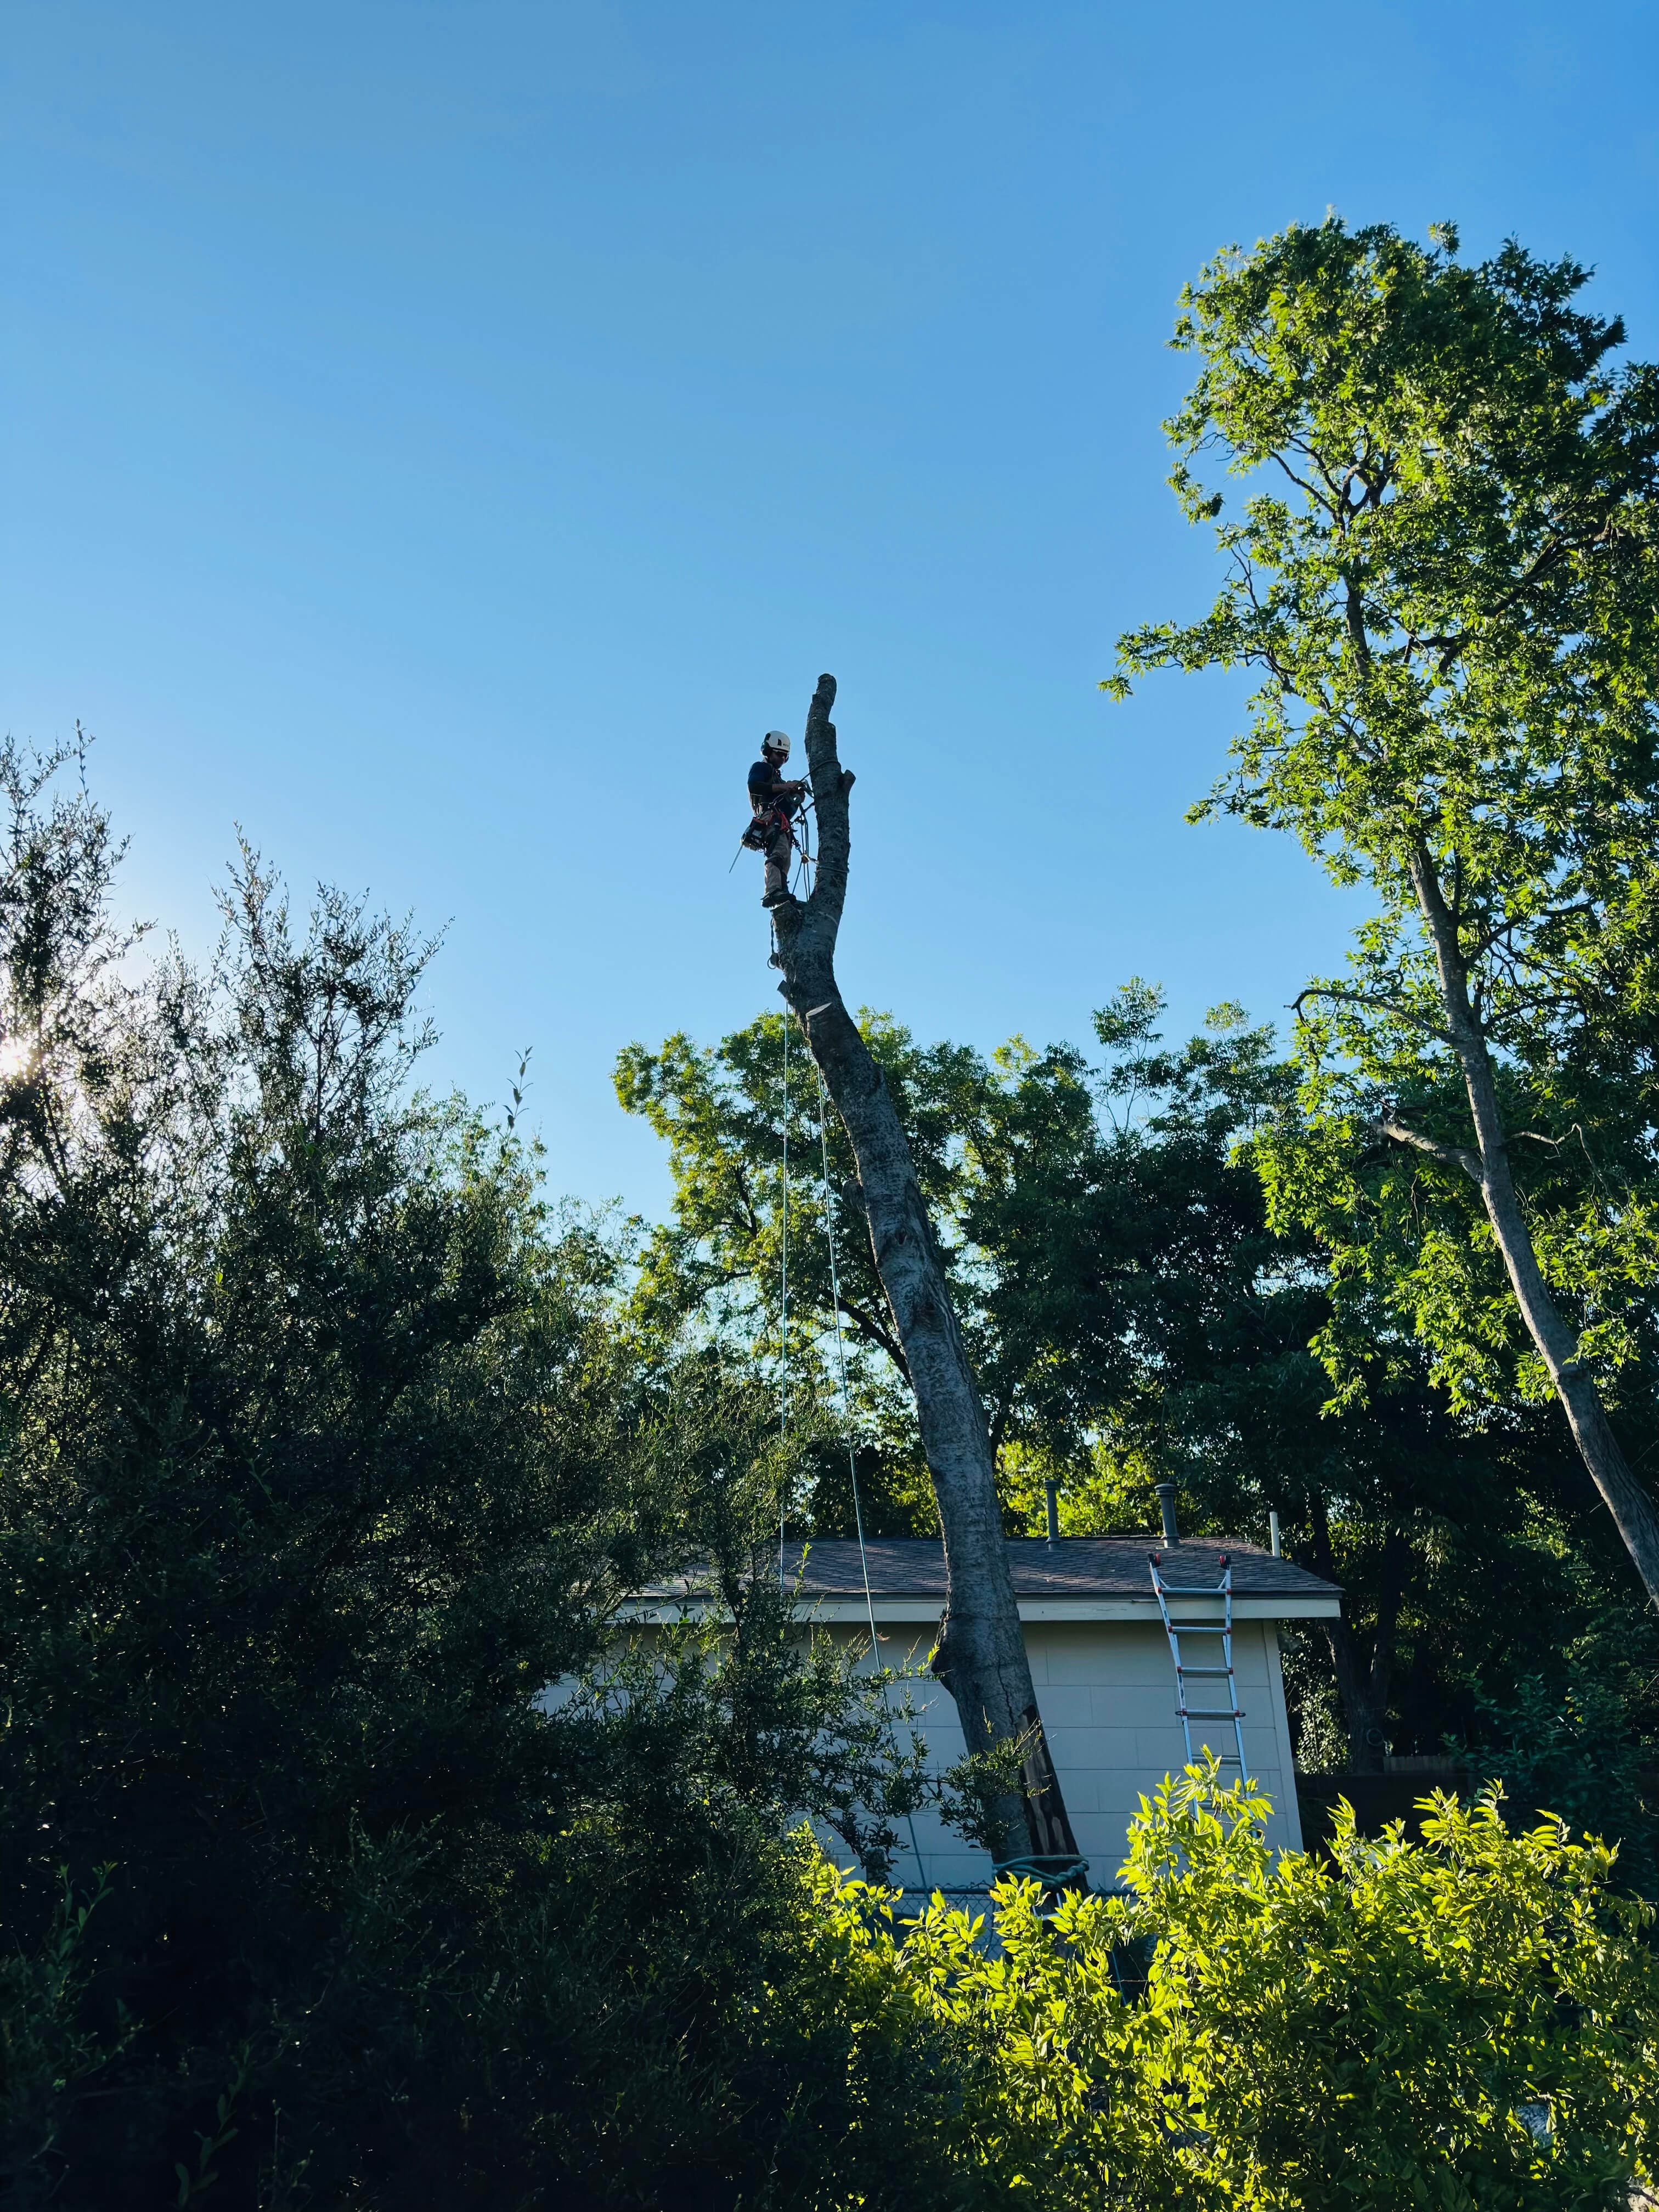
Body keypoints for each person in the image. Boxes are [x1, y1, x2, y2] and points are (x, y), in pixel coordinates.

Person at [747, 730, 808, 907]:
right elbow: (755, 786)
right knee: (779, 852)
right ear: (768, 751)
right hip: (768, 817)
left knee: (785, 858)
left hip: (780, 820)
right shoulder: (761, 768)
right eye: (779, 754)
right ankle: (773, 890)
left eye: (785, 756)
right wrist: (784, 787)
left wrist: (795, 800)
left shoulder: (776, 777)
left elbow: (786, 811)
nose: (782, 759)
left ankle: (782, 892)